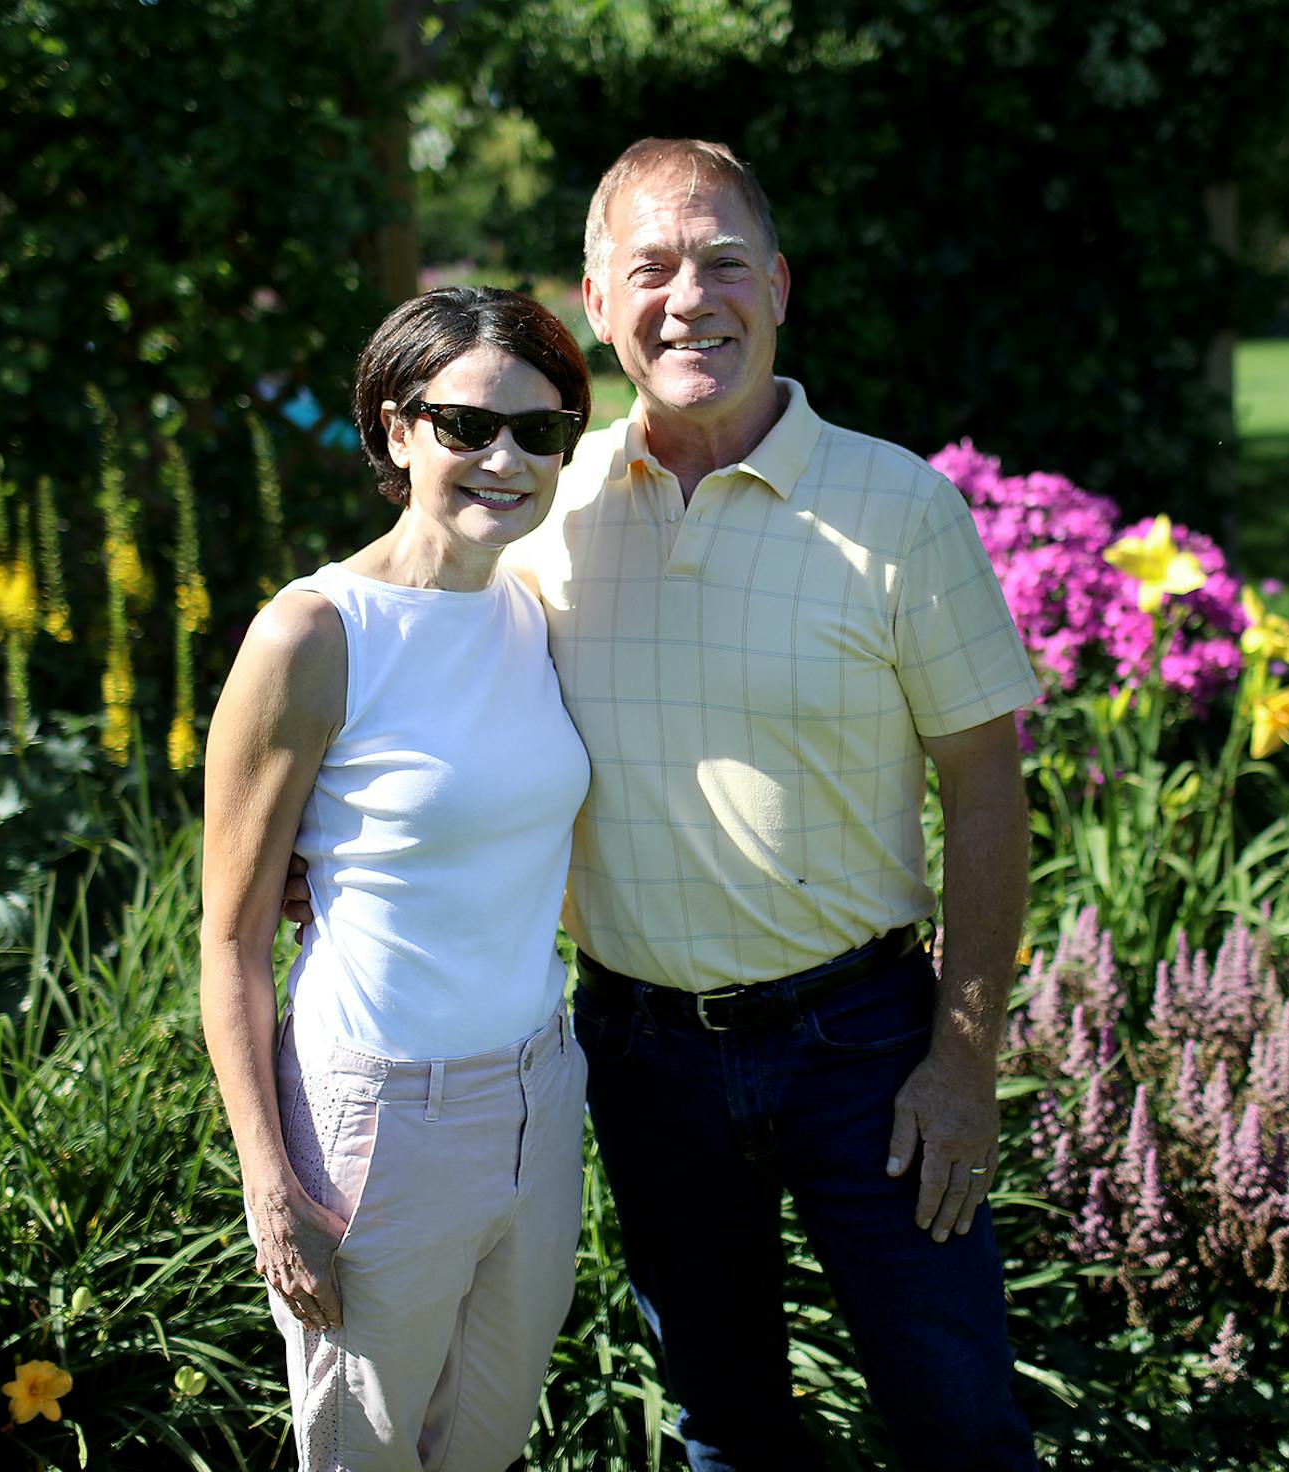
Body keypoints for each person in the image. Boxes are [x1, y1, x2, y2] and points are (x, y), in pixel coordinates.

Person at [289, 138, 1045, 1470]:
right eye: (651, 268)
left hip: (865, 1043)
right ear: (597, 300)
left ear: (781, 286)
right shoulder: (544, 502)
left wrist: (963, 1061)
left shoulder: (902, 509)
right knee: (723, 1427)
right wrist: (317, 824)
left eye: (723, 262)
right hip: (643, 1055)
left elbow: (988, 795)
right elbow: (414, 648)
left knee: (957, 1421)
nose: (689, 297)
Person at [200, 286, 594, 1472]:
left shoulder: (530, 606)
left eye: (540, 430)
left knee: (481, 1447)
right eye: (467, 425)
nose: (505, 458)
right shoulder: (314, 635)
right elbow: (227, 942)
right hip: (378, 1117)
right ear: (393, 429)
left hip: (539, 1093)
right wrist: (272, 1187)